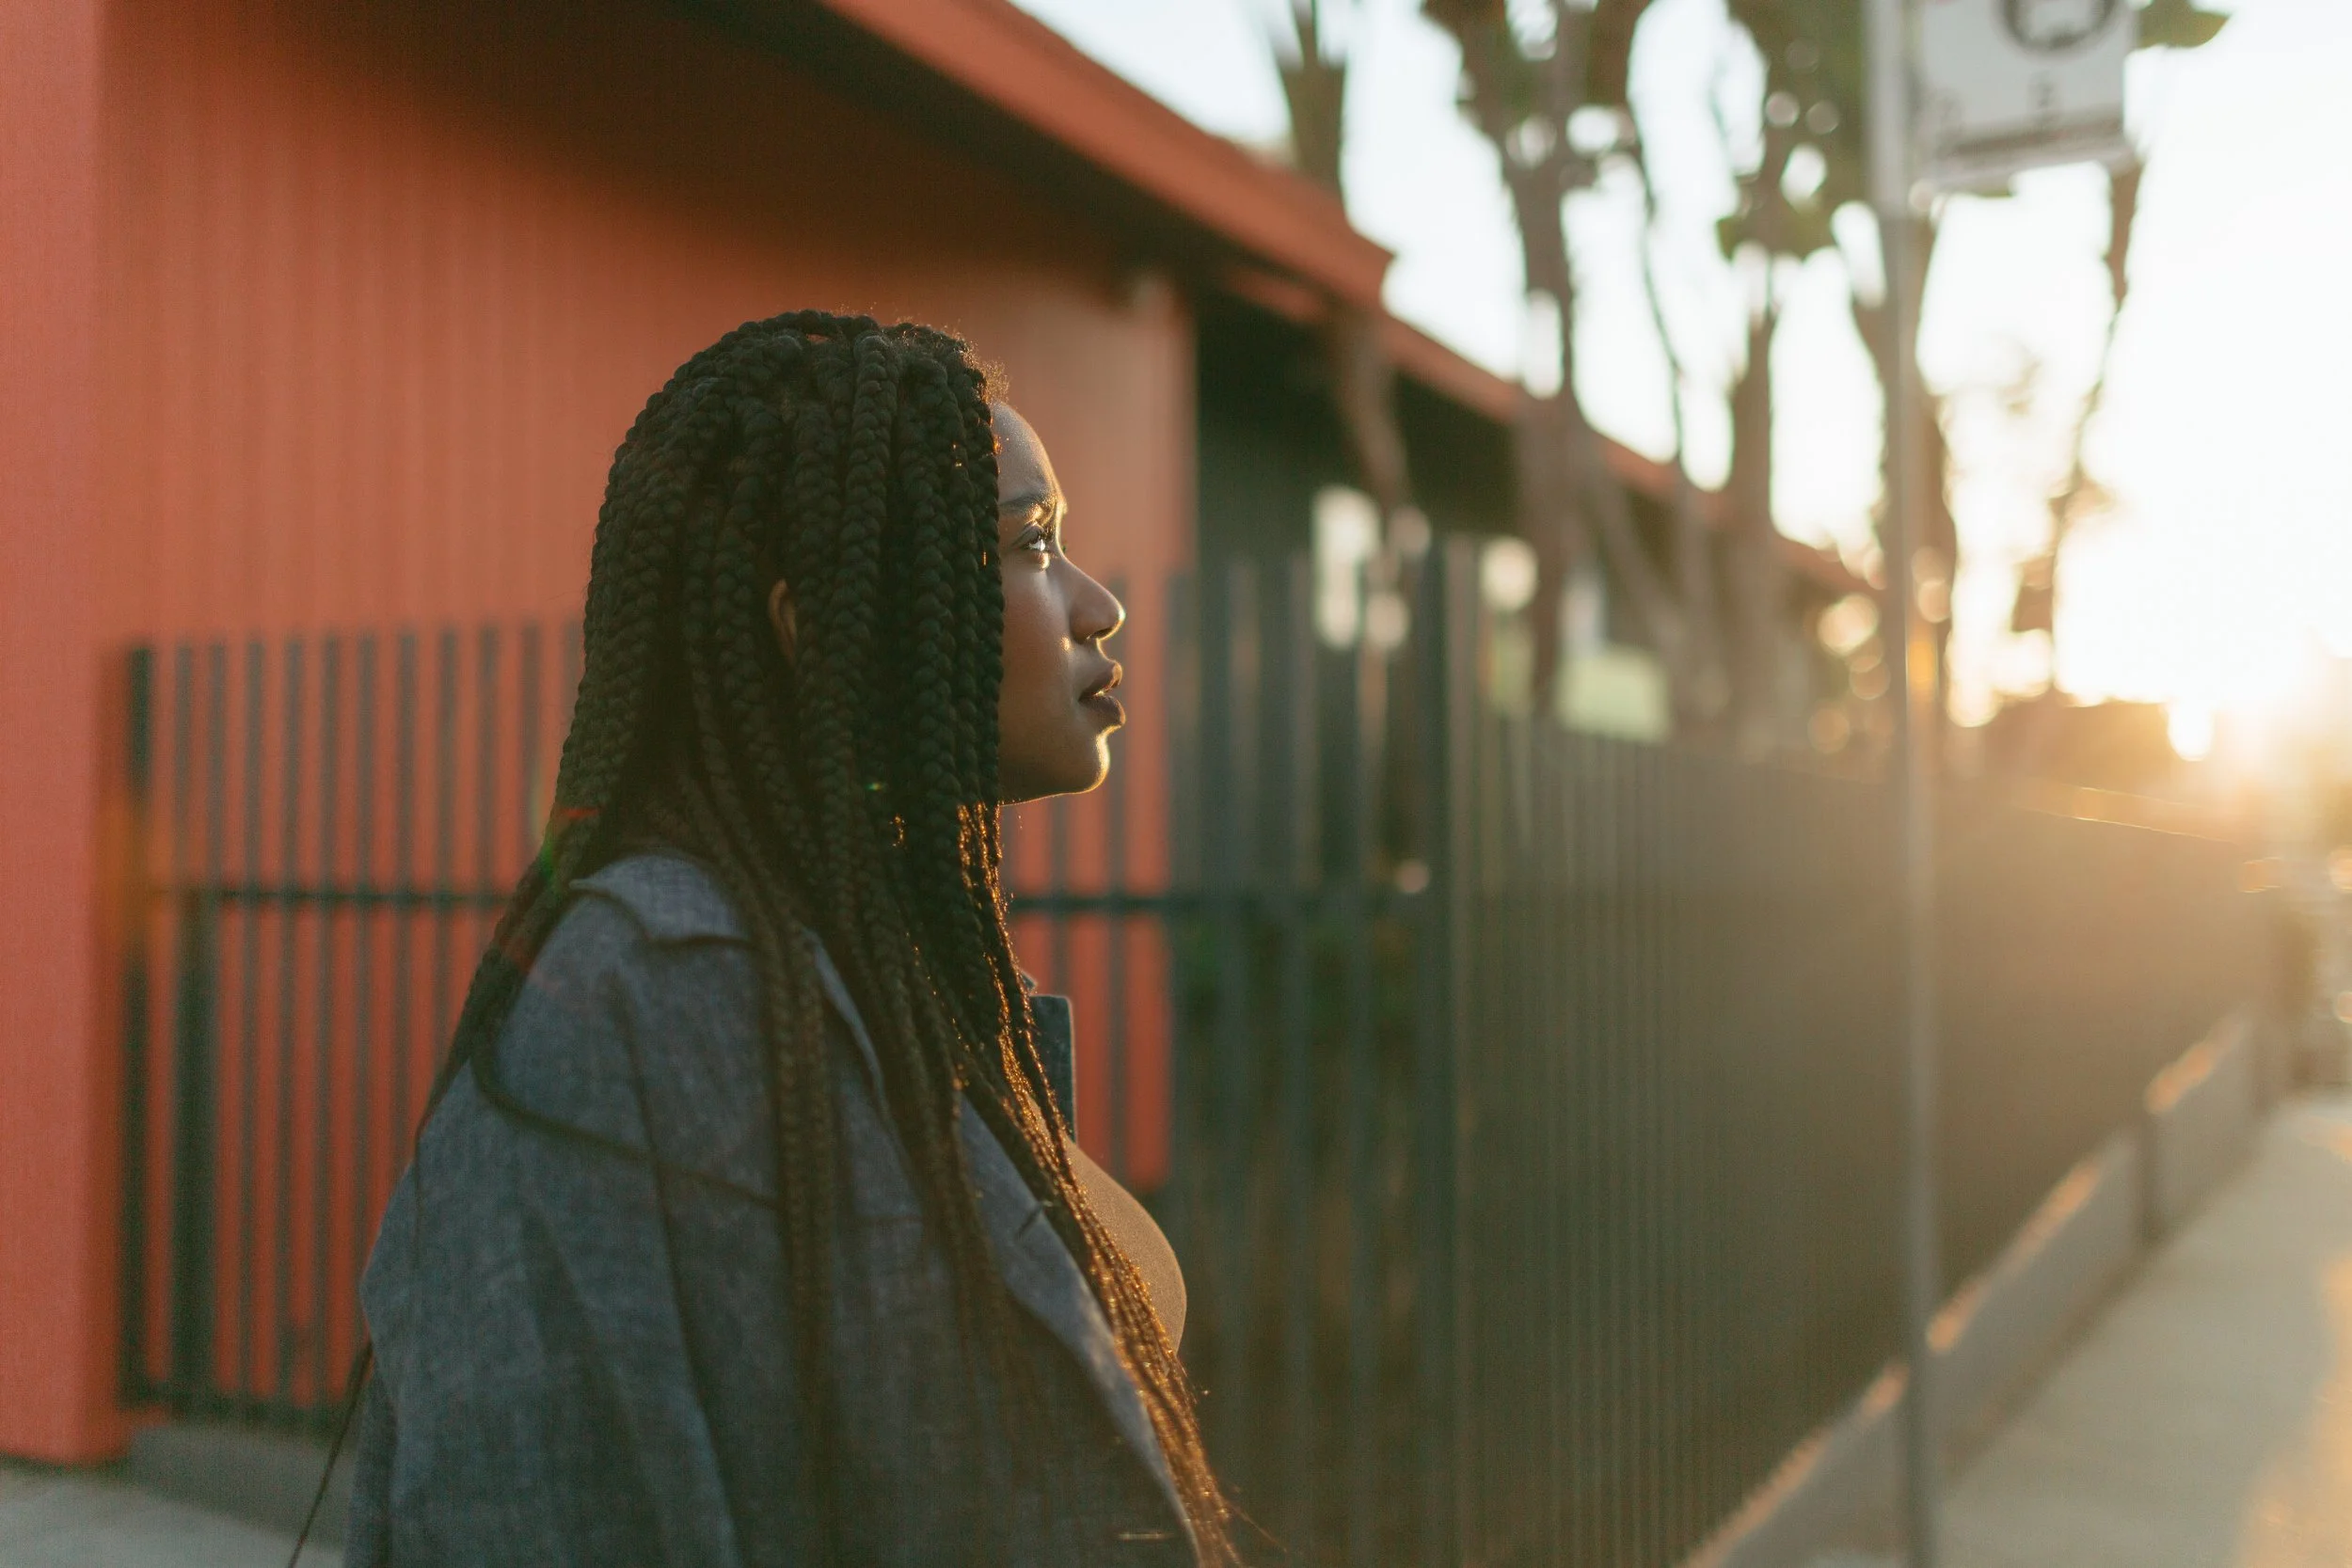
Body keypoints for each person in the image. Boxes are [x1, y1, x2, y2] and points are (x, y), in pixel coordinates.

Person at [339, 312, 1226, 1566]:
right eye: (1033, 544)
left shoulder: (893, 978)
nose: (1100, 604)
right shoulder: (632, 1007)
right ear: (818, 628)